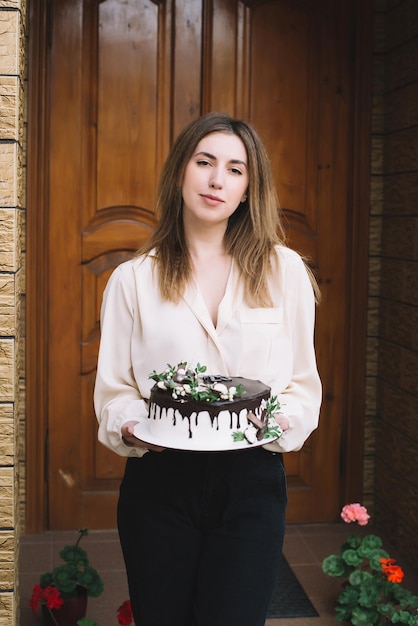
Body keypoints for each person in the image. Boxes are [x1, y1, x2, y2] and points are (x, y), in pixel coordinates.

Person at [94, 112, 322, 626]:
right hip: (160, 482)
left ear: (248, 189)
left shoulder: (284, 271)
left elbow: (302, 385)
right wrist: (130, 424)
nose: (218, 179)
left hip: (252, 481)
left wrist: (286, 422)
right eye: (204, 162)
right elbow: (114, 393)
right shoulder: (133, 280)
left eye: (236, 169)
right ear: (181, 172)